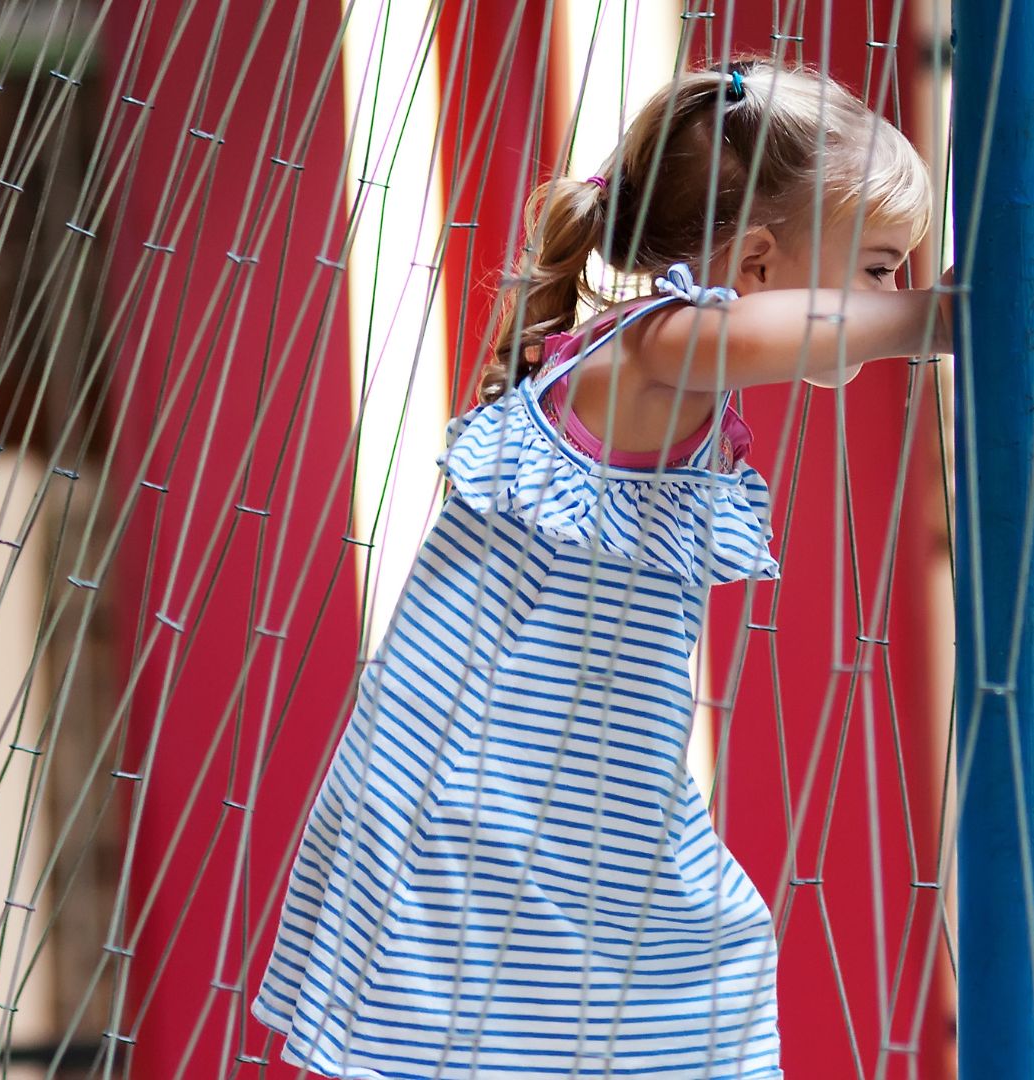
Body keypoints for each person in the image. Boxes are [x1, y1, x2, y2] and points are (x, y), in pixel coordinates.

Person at [252, 59, 952, 1078]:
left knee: (702, 968)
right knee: (644, 1001)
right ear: (756, 265)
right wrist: (950, 318)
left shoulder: (639, 362)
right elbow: (769, 332)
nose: (895, 290)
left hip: (553, 805)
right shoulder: (659, 350)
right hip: (480, 809)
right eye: (883, 267)